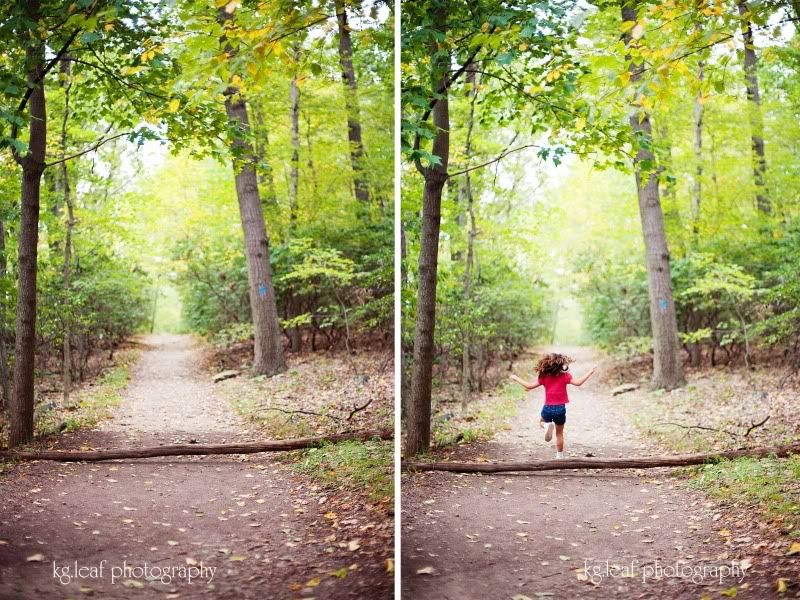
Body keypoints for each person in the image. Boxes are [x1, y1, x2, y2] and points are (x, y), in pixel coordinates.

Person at [509, 353, 597, 459]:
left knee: (541, 421)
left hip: (548, 408)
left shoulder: (544, 377)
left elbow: (529, 386)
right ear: (561, 365)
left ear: (547, 365)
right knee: (559, 433)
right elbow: (578, 383)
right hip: (560, 409)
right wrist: (590, 372)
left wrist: (516, 378)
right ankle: (560, 455)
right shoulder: (565, 376)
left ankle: (546, 426)